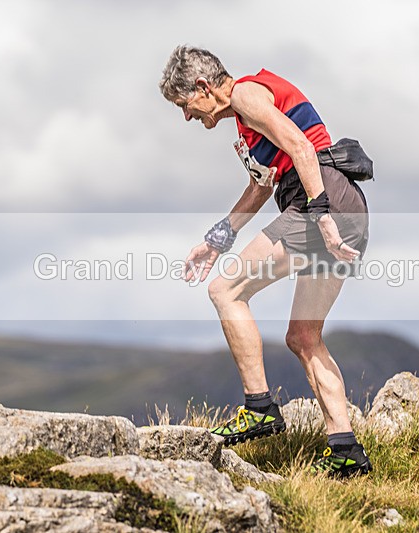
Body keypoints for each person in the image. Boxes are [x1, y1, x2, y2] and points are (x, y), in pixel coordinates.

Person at [159, 45, 373, 477]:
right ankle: (346, 450)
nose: (187, 117)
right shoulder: (246, 116)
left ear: (203, 87)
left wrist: (322, 216)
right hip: (344, 204)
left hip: (321, 201)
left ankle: (259, 406)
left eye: (185, 105)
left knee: (225, 290)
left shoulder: (244, 95)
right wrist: (218, 239)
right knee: (303, 337)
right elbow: (260, 188)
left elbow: (300, 146)